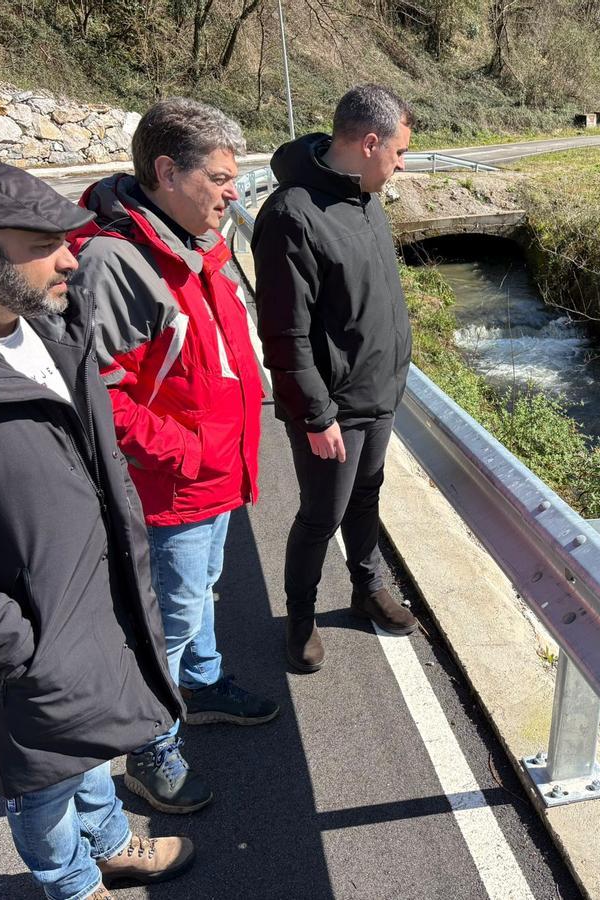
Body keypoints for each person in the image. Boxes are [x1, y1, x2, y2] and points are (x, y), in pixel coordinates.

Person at [0, 159, 194, 900]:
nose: (72, 255)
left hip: (93, 616)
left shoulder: (51, 330)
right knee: (42, 780)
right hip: (26, 651)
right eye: (47, 241)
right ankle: (74, 885)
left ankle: (110, 846)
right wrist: (22, 649)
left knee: (90, 752)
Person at [66, 98, 275, 816]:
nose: (233, 193)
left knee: (200, 592)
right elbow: (100, 394)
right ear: (165, 172)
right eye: (220, 178)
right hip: (175, 483)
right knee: (167, 620)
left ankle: (204, 684)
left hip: (215, 470)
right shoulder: (116, 261)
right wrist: (188, 454)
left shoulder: (192, 238)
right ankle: (149, 753)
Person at [252, 84, 418, 673]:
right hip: (333, 406)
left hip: (380, 391)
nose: (400, 166)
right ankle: (299, 619)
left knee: (367, 496)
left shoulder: (366, 199)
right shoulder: (292, 215)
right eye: (398, 153)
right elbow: (284, 333)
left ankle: (366, 588)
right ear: (369, 143)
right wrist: (315, 415)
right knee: (321, 515)